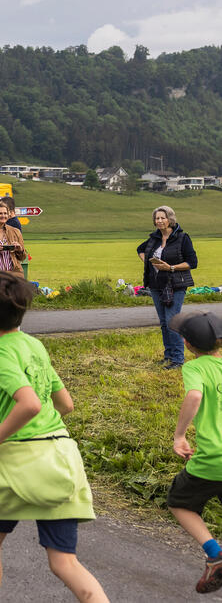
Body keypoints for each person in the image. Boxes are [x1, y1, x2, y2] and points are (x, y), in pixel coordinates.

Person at [0, 269, 106, 603]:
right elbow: (65, 404)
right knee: (64, 561)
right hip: (62, 459)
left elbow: (27, 404)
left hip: (22, 463)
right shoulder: (34, 345)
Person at [165, 310, 222, 593]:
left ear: (187, 344)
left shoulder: (195, 368)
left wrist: (180, 436)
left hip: (214, 459)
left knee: (179, 501)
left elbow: (195, 395)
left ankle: (215, 554)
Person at [137, 205, 198, 369]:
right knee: (164, 322)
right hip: (156, 285)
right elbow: (140, 249)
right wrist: (151, 264)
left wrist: (170, 267)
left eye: (162, 217)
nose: (159, 221)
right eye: (157, 218)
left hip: (175, 285)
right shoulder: (154, 238)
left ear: (170, 219)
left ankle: (178, 360)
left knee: (172, 321)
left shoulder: (182, 238)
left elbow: (192, 263)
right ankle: (168, 356)